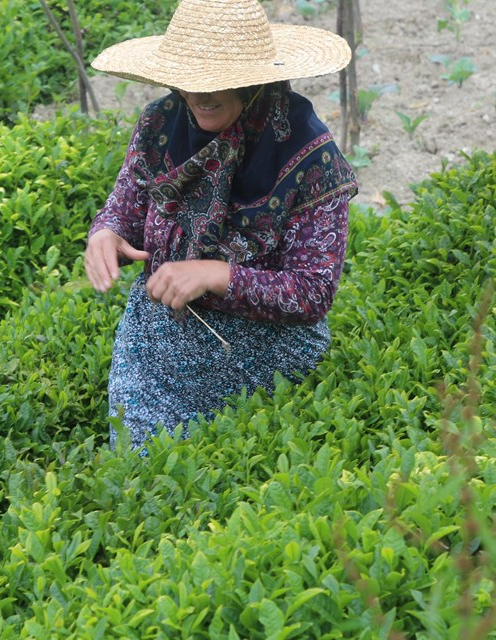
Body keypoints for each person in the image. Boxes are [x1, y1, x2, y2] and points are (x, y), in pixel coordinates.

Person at [85, 0, 358, 452]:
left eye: (219, 82)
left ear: (256, 80)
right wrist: (106, 234)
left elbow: (313, 292)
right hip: (161, 330)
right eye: (189, 81)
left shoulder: (312, 156)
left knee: (219, 461)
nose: (200, 96)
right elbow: (125, 210)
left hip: (269, 343)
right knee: (140, 463)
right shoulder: (159, 123)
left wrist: (217, 274)